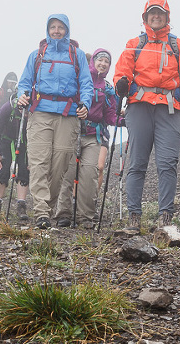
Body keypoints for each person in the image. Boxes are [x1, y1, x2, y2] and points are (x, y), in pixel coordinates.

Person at [113, 0, 180, 231]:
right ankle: (134, 217)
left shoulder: (178, 45)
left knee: (167, 163)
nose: (156, 16)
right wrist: (121, 82)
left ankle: (165, 218)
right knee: (137, 162)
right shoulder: (134, 44)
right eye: (152, 13)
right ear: (145, 17)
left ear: (167, 17)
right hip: (139, 106)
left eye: (160, 13)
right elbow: (122, 71)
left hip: (168, 108)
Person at [17, 14, 93, 229]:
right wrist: (22, 95)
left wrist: (86, 104)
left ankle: (47, 207)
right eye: (53, 27)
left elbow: (86, 83)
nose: (56, 31)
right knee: (39, 163)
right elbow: (25, 82)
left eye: (61, 27)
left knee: (60, 164)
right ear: (48, 30)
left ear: (67, 30)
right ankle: (42, 212)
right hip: (40, 113)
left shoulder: (77, 55)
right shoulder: (37, 55)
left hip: (68, 115)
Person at [55, 48, 121, 229]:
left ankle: (85, 216)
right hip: (73, 131)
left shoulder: (107, 88)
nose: (103, 64)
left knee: (90, 174)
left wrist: (124, 120)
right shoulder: (78, 80)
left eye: (107, 62)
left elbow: (110, 115)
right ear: (93, 61)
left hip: (93, 136)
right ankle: (63, 214)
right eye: (100, 60)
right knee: (68, 173)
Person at [0, 95, 30, 220]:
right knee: (3, 168)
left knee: (24, 170)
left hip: (25, 142)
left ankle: (21, 205)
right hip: (6, 140)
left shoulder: (34, 109)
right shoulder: (7, 108)